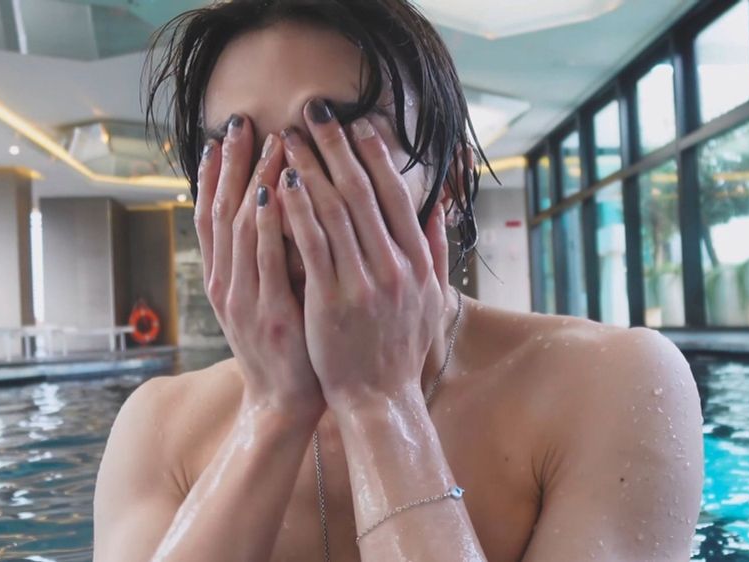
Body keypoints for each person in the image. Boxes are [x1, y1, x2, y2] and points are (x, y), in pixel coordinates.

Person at [93, 1, 704, 560]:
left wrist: (380, 403)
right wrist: (274, 410)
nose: (287, 198)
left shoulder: (608, 385)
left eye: (335, 148)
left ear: (452, 184)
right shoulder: (159, 430)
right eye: (244, 156)